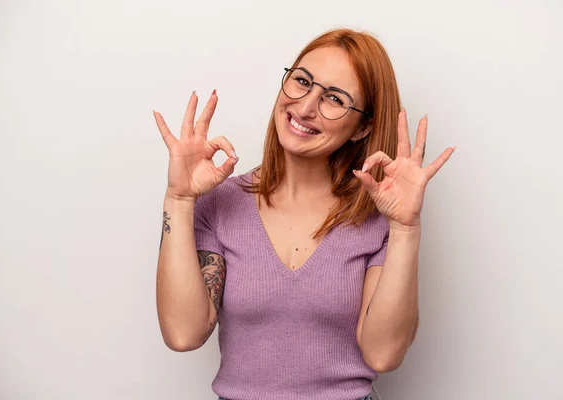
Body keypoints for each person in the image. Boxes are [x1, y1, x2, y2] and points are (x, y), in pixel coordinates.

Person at [154, 28, 455, 400]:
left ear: (362, 128)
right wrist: (179, 200)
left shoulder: (378, 216)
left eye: (334, 99)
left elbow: (384, 353)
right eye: (301, 81)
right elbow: (183, 334)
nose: (305, 107)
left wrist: (406, 229)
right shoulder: (221, 203)